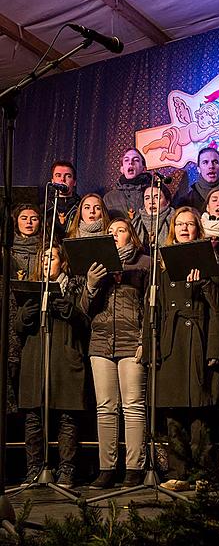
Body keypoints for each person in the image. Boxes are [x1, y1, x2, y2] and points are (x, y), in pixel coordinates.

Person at [142, 206, 219, 491]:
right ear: (172, 230)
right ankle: (178, 471)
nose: (185, 229)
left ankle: (203, 472)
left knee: (199, 411)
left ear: (198, 230)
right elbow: (151, 310)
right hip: (170, 341)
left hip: (198, 341)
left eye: (190, 225)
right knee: (173, 411)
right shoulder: (161, 266)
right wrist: (150, 347)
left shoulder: (209, 262)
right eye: (180, 224)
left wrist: (214, 349)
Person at [80, 218, 150, 489]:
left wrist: (145, 339)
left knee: (133, 407)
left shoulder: (142, 264)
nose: (115, 235)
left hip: (132, 342)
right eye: (110, 232)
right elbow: (85, 309)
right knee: (106, 407)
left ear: (131, 236)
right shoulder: (96, 266)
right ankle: (106, 468)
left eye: (121, 230)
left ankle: (134, 467)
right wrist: (91, 284)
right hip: (100, 343)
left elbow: (149, 306)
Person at [16, 244, 89, 488]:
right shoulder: (30, 287)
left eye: (53, 257)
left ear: (63, 262)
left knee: (67, 417)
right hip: (36, 357)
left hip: (65, 356)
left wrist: (71, 312)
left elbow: (88, 322)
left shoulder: (75, 287)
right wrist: (26, 314)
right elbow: (17, 327)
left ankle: (67, 469)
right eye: (44, 258)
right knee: (34, 417)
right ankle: (34, 469)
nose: (48, 262)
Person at [103, 149, 152, 219]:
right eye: (126, 160)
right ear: (122, 169)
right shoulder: (109, 198)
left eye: (136, 160)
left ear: (144, 168)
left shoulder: (155, 193)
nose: (131, 162)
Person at [131, 184, 175, 253]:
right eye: (147, 198)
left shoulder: (175, 221)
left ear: (167, 202)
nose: (151, 202)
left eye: (157, 197)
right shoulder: (136, 223)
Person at [46, 161, 81, 239]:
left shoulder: (81, 206)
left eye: (68, 176)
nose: (62, 179)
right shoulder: (45, 207)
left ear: (74, 182)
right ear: (52, 181)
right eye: (58, 176)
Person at [11, 204, 42, 279]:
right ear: (16, 221)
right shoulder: (7, 247)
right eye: (24, 218)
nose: (29, 222)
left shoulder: (46, 247)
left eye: (34, 219)